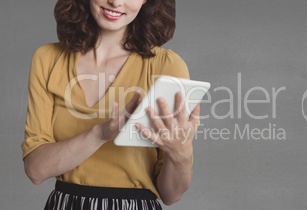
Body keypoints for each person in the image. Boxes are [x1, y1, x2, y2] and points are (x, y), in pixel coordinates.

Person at [22, 0, 200, 209]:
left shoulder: (167, 66)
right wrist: (100, 134)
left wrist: (181, 155)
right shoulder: (48, 59)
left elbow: (171, 195)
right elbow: (36, 170)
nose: (115, 2)